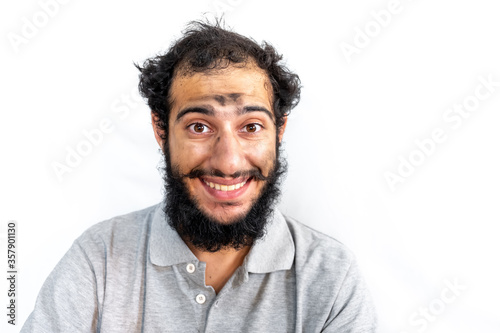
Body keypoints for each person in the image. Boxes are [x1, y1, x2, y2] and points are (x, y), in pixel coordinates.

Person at [22, 20, 377, 332]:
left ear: (279, 131)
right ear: (161, 130)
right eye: (199, 126)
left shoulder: (332, 279)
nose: (228, 162)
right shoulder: (98, 260)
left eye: (251, 126)